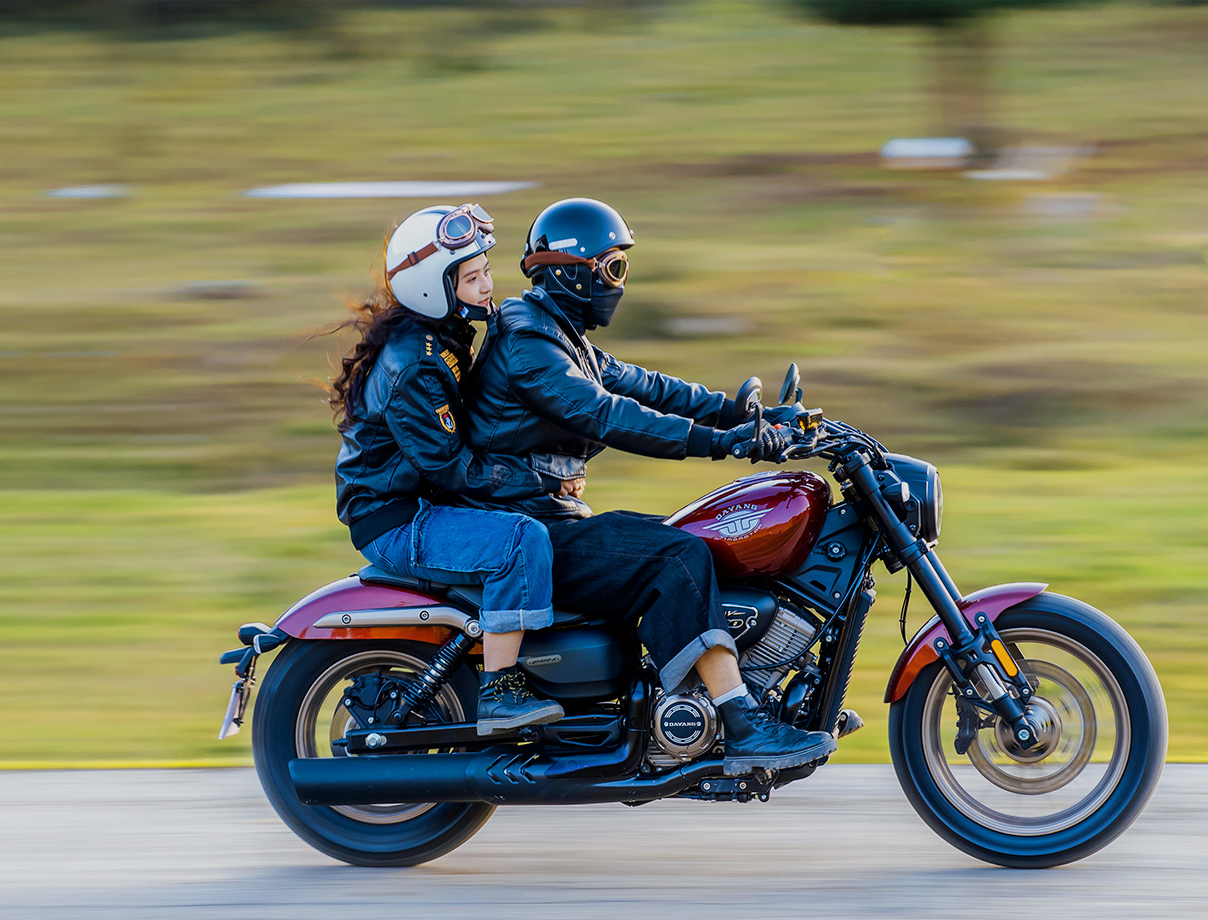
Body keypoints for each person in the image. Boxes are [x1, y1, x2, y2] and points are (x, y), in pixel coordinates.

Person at [461, 197, 835, 775]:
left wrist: (742, 415)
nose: (619, 282)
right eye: (613, 267)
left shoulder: (558, 333)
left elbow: (649, 387)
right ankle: (740, 724)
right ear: (572, 271)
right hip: (525, 526)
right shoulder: (527, 343)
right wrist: (722, 443)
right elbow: (605, 414)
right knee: (677, 555)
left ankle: (697, 699)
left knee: (695, 537)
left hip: (549, 517)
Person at [329, 203, 563, 735]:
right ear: (432, 288)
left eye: (486, 271)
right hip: (395, 518)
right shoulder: (415, 362)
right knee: (519, 541)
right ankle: (501, 693)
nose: (488, 286)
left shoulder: (441, 337)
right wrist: (538, 480)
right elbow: (449, 466)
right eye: (472, 278)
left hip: (416, 502)